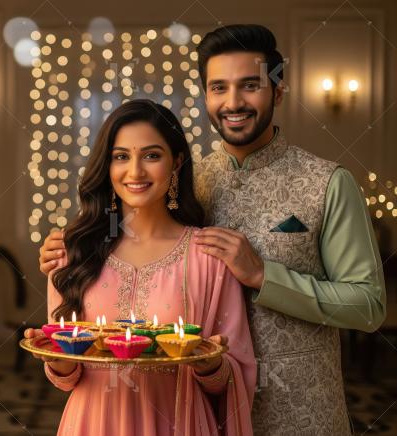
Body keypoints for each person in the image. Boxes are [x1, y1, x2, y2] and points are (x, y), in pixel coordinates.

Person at [37, 25, 387, 435]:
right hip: (194, 411)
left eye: (250, 85)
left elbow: (369, 305)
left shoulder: (326, 183)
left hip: (299, 411)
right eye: (219, 87)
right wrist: (72, 248)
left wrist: (264, 276)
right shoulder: (185, 180)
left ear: (277, 91)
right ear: (205, 96)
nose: (233, 102)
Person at [26, 99, 256, 435]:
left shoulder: (208, 257)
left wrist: (211, 364)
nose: (135, 172)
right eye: (121, 157)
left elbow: (234, 374)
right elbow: (67, 379)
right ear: (107, 165)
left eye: (151, 156)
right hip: (92, 424)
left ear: (176, 162)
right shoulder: (74, 254)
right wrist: (56, 359)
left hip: (180, 423)